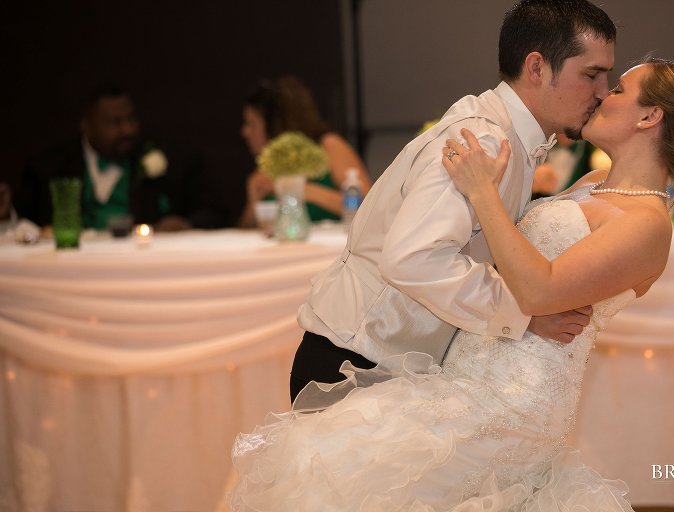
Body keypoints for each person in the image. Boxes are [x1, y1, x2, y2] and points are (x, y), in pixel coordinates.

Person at [229, 57, 674, 512]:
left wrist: (481, 192)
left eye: (621, 90)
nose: (605, 94)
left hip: (515, 401)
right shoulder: (590, 185)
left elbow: (539, 290)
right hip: (466, 374)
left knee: (342, 470)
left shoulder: (648, 223)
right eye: (599, 79)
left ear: (650, 118)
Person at [289, 0, 615, 402]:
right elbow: (413, 258)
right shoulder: (484, 140)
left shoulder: (509, 135)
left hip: (382, 359)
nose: (603, 93)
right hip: (354, 362)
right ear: (537, 67)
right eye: (592, 75)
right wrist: (524, 313)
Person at [16, 84, 219, 232]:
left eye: (130, 119)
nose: (127, 130)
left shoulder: (171, 160)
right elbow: (24, 223)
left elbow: (212, 211)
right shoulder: (49, 167)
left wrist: (187, 224)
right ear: (87, 127)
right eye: (114, 122)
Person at [238, 76, 372, 227]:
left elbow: (368, 207)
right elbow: (245, 229)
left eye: (252, 124)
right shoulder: (269, 162)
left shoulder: (329, 145)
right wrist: (253, 200)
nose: (245, 132)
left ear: (275, 124)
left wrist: (295, 187)